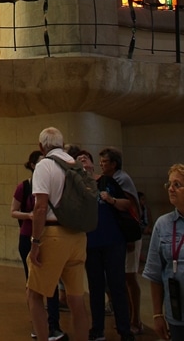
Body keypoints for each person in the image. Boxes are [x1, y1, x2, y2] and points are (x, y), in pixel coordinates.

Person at [26, 126, 89, 341]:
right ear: (62, 144)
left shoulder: (45, 165)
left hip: (53, 235)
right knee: (76, 299)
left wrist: (35, 242)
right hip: (78, 237)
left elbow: (40, 207)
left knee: (34, 295)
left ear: (41, 146)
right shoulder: (77, 165)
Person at [77, 150, 135, 341]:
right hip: (91, 244)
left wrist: (111, 200)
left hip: (113, 242)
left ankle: (125, 330)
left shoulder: (107, 182)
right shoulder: (76, 187)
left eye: (87, 160)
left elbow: (127, 204)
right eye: (80, 161)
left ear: (93, 164)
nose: (84, 163)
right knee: (95, 288)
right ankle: (97, 329)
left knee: (117, 286)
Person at [11, 150, 65, 341]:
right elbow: (13, 211)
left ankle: (53, 325)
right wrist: (29, 216)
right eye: (42, 162)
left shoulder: (54, 184)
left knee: (51, 283)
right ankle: (37, 324)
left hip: (50, 237)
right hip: (28, 237)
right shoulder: (24, 187)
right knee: (33, 284)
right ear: (33, 165)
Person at [99, 146, 142, 334]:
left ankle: (135, 320)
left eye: (105, 161)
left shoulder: (121, 179)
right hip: (119, 234)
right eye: (100, 161)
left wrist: (131, 237)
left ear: (114, 163)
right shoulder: (110, 179)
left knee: (130, 277)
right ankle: (127, 317)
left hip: (128, 233)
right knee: (121, 277)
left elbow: (132, 206)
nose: (101, 164)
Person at [143, 164, 184, 341]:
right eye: (169, 185)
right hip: (177, 314)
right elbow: (154, 273)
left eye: (177, 184)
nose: (171, 189)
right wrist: (157, 315)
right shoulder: (163, 224)